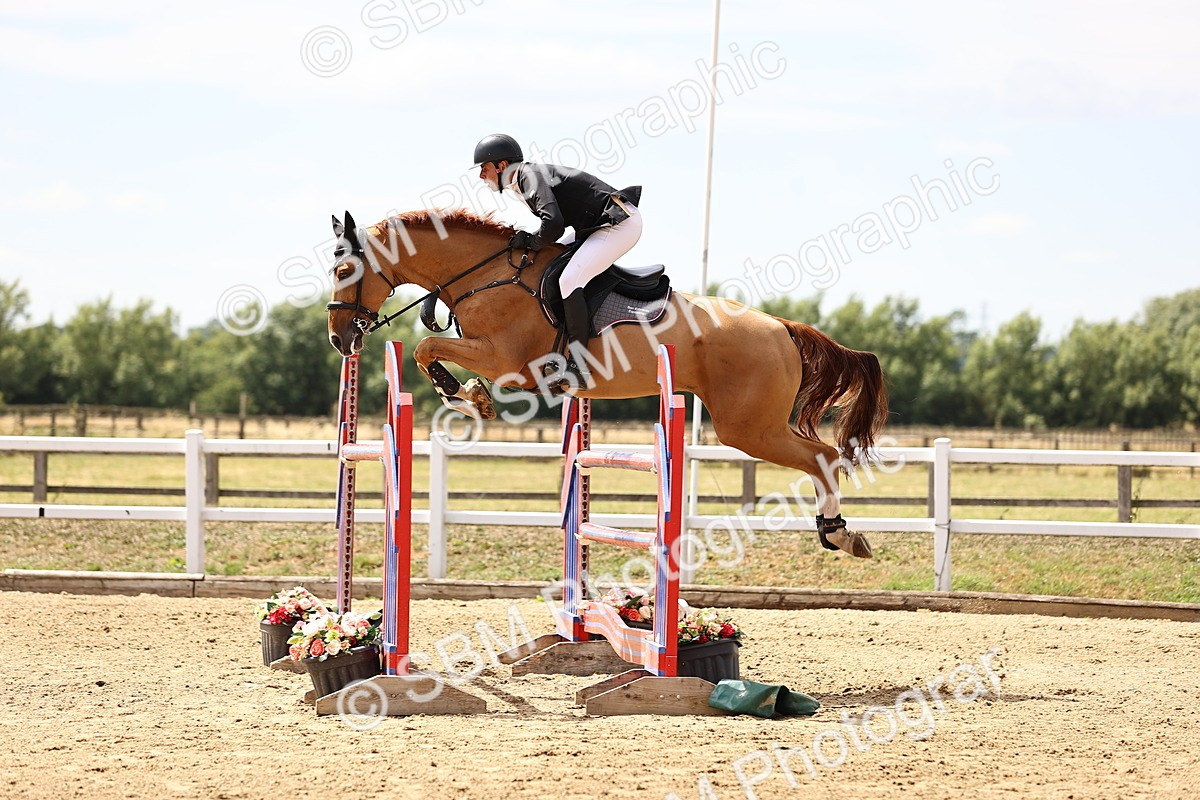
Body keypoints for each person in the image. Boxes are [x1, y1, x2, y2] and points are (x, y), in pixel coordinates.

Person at [472, 133, 642, 384]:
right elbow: (553, 228)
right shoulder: (523, 179)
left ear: (502, 166)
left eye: (484, 168)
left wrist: (530, 241)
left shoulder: (529, 176)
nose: (481, 175)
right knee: (546, 262)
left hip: (619, 224)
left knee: (569, 280)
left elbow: (553, 224)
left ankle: (579, 365)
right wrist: (531, 243)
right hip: (595, 226)